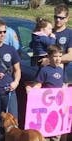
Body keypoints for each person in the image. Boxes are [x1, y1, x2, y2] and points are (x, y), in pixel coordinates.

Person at [26, 45, 64, 141]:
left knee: (56, 130)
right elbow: (38, 84)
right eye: (55, 56)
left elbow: (64, 84)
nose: (58, 59)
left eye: (60, 56)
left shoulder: (61, 70)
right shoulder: (44, 70)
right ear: (49, 57)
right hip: (47, 105)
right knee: (45, 130)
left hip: (58, 105)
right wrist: (32, 90)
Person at [52, 4, 72, 141]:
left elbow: (70, 56)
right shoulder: (48, 31)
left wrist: (51, 60)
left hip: (64, 80)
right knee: (50, 113)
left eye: (61, 18)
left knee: (63, 114)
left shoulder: (69, 33)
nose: (58, 20)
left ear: (67, 18)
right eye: (56, 17)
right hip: (48, 79)